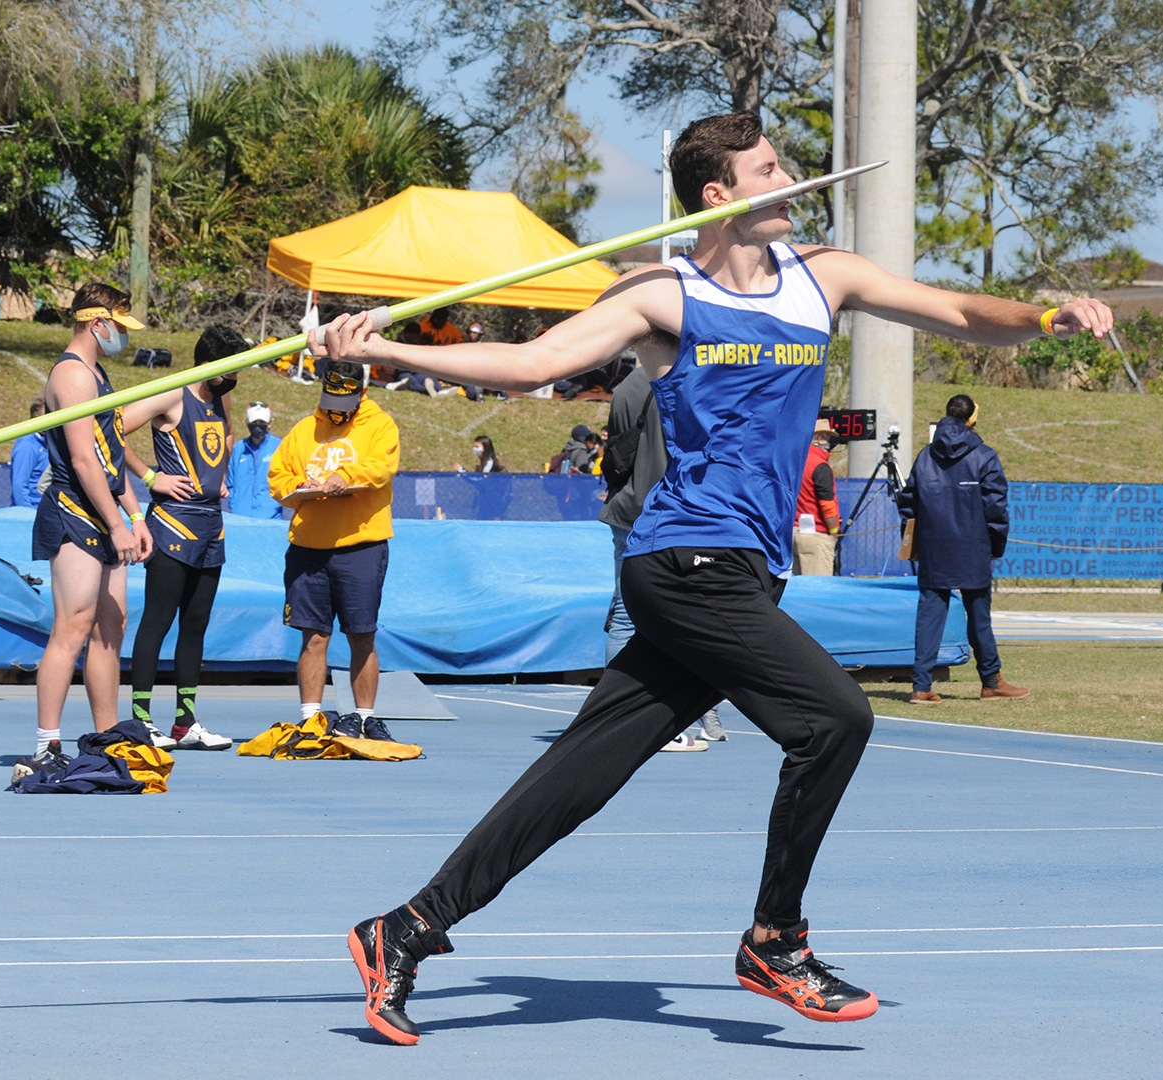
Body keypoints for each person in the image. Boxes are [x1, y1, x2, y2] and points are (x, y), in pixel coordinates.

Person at [315, 110, 1112, 1045]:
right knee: (836, 719)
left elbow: (963, 312)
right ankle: (776, 939)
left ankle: (406, 927)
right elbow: (531, 367)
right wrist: (381, 350)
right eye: (771, 166)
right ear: (720, 196)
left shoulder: (828, 276)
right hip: (685, 562)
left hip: (749, 572)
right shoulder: (663, 292)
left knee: (578, 777)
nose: (794, 177)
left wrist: (1049, 314)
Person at [19, 283, 153, 773]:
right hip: (75, 510)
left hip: (106, 511)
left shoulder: (100, 374)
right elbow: (82, 459)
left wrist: (134, 517)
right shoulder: (73, 376)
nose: (122, 334)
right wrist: (116, 524)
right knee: (72, 626)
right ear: (97, 323)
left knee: (109, 630)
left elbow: (111, 454)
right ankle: (46, 742)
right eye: (119, 325)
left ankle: (107, 736)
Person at [115, 325, 246, 752]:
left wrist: (219, 478)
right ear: (209, 365)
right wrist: (152, 477)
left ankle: (185, 723)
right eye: (229, 369)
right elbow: (112, 431)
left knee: (196, 624)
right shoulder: (173, 394)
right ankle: (140, 721)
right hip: (172, 524)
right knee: (158, 619)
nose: (235, 378)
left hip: (211, 523)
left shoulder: (222, 395)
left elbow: (225, 439)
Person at [267, 357, 401, 740]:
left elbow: (381, 467)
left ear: (362, 393)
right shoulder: (304, 429)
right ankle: (310, 717)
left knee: (361, 633)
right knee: (313, 636)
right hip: (309, 546)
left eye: (344, 404)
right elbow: (278, 476)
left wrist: (345, 476)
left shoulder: (379, 425)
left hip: (361, 544)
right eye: (330, 402)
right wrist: (301, 486)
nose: (335, 411)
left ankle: (362, 717)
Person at [599, 354, 724, 749]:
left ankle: (621, 715)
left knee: (626, 612)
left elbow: (618, 448)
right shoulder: (699, 377)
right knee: (696, 612)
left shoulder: (629, 386)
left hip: (633, 508)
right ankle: (686, 713)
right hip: (681, 511)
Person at [898, 394, 1022, 703]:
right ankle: (991, 681)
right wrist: (996, 545)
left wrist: (912, 543)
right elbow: (996, 507)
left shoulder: (925, 456)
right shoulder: (985, 455)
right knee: (979, 617)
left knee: (929, 616)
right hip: (973, 547)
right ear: (973, 420)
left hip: (934, 548)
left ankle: (921, 686)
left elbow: (908, 504)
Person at [792, 417, 840, 575]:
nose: (830, 443)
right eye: (828, 438)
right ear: (820, 439)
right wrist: (833, 531)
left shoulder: (794, 461)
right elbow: (827, 504)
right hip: (816, 535)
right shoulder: (819, 465)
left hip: (792, 533)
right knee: (819, 592)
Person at [227, 402, 289, 520]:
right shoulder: (238, 448)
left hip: (271, 521)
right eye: (254, 422)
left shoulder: (279, 447)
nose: (258, 426)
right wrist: (234, 506)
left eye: (262, 422)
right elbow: (229, 483)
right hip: (239, 519)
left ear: (270, 423)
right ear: (247, 422)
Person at [10, 397, 49, 508]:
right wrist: (27, 514)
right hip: (32, 511)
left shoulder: (48, 442)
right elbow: (19, 485)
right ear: (35, 417)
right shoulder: (27, 445)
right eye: (47, 416)